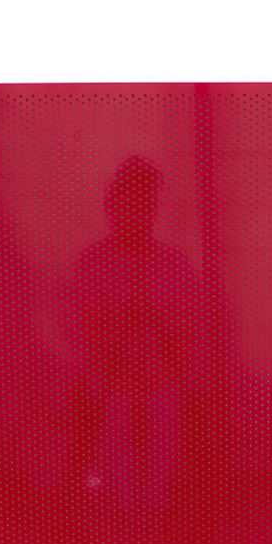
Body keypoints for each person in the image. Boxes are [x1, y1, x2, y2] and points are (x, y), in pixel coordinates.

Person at [69, 157, 200, 523]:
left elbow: (190, 327)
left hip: (163, 374)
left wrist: (177, 366)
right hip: (111, 376)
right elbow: (80, 326)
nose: (138, 214)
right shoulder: (93, 264)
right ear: (113, 208)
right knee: (116, 430)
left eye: (146, 204)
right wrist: (96, 370)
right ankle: (126, 511)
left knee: (164, 429)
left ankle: (154, 510)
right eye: (129, 204)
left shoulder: (173, 264)